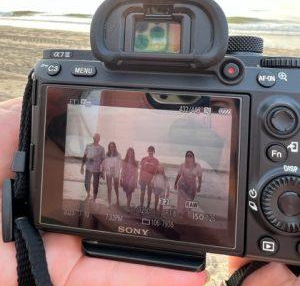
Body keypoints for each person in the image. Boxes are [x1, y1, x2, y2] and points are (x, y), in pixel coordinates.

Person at [1, 100, 297, 286]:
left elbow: (173, 172)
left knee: (159, 204)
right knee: (135, 200)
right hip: (129, 181)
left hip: (154, 184)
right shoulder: (106, 151)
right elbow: (107, 164)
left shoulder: (178, 165)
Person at [174, 151, 202, 217]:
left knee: (190, 200)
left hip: (192, 187)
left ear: (193, 157)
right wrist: (175, 183)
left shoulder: (197, 166)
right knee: (181, 200)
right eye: (187, 156)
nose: (189, 157)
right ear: (186, 157)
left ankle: (186, 213)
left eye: (190, 156)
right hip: (182, 185)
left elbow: (200, 176)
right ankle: (181, 213)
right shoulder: (182, 165)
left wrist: (199, 186)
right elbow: (179, 175)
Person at [80, 133, 105, 201]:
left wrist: (102, 171)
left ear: (99, 139)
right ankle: (88, 194)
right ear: (93, 138)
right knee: (86, 182)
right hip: (88, 168)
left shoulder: (102, 148)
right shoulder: (88, 146)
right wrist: (82, 166)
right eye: (95, 137)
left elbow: (103, 160)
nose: (96, 139)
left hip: (97, 169)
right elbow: (84, 156)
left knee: (95, 184)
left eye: (98, 138)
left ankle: (94, 197)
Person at [103, 141, 122, 207]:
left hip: (115, 172)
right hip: (108, 172)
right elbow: (104, 164)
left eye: (113, 146)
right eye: (110, 146)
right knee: (109, 188)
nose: (111, 148)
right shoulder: (106, 154)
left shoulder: (118, 155)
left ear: (114, 147)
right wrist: (103, 172)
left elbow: (120, 165)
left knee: (116, 188)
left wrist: (117, 174)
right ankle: (109, 202)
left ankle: (117, 200)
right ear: (109, 147)